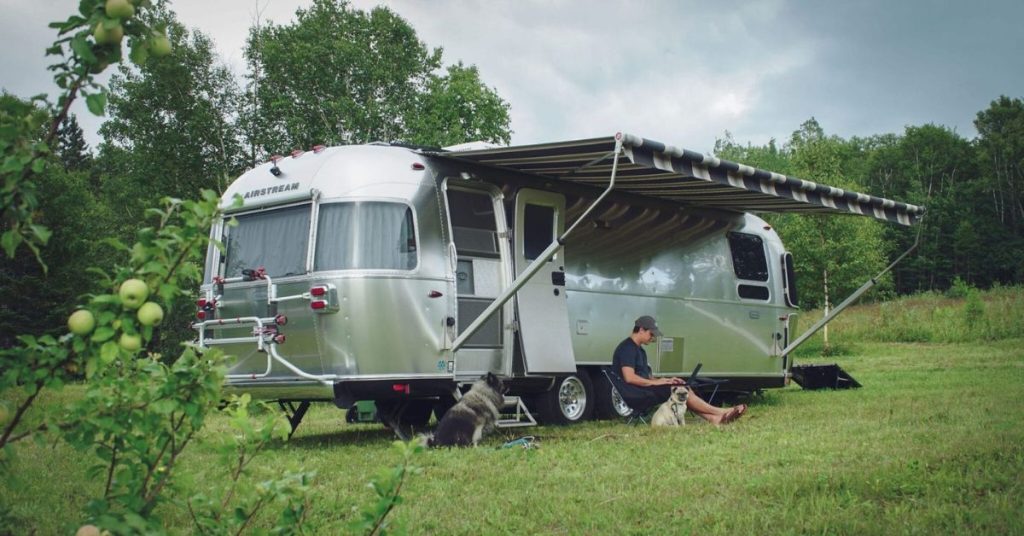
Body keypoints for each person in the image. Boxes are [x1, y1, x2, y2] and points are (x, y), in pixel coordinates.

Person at [612, 315, 746, 425]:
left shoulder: (639, 350)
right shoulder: (627, 349)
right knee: (679, 389)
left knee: (682, 386)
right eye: (651, 334)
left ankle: (714, 418)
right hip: (633, 394)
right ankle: (721, 412)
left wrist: (665, 380)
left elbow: (646, 377)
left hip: (642, 389)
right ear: (641, 330)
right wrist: (658, 383)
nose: (653, 338)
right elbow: (630, 378)